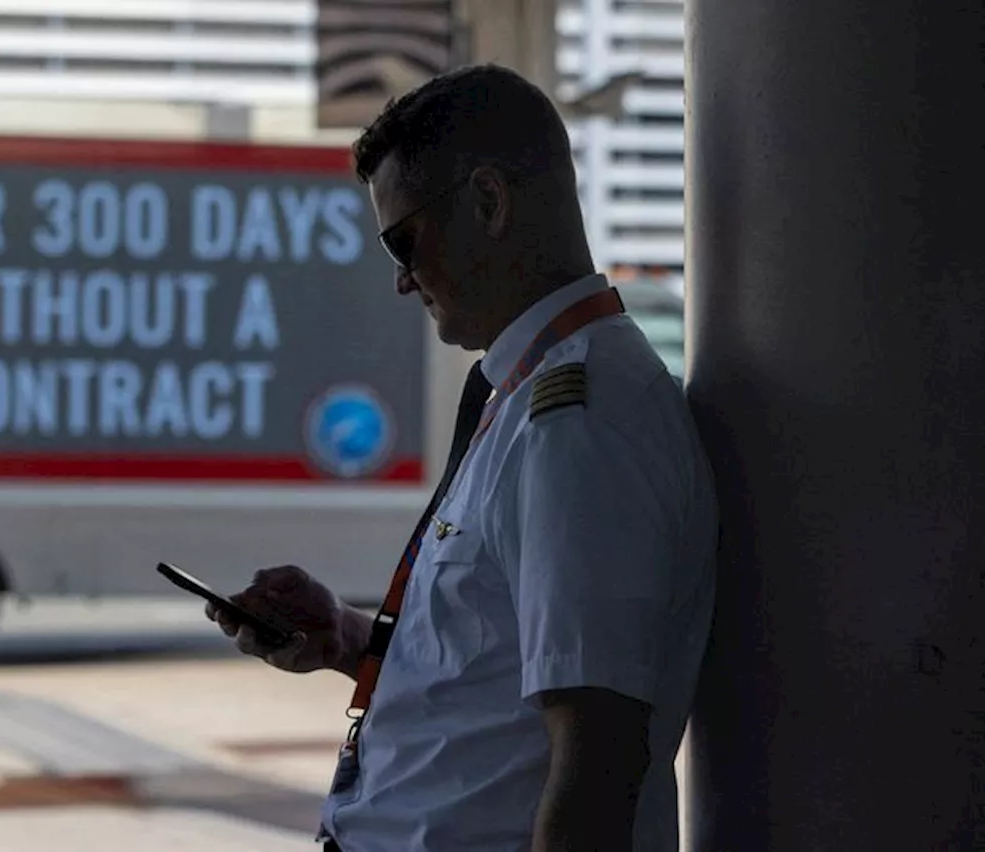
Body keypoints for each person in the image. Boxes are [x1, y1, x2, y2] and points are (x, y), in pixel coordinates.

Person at [206, 63, 717, 852]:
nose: (404, 280)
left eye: (401, 240)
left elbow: (598, 753)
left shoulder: (576, 420)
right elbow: (489, 673)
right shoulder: (523, 394)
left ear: (488, 202)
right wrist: (344, 636)